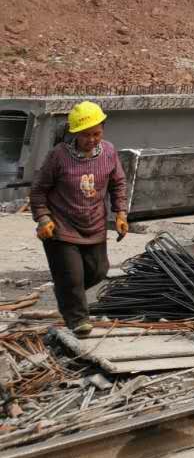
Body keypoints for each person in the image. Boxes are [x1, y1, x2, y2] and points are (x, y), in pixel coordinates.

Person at [30, 101, 128, 335]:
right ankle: (78, 321)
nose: (91, 139)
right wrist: (43, 218)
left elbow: (118, 183)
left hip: (94, 224)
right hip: (61, 226)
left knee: (98, 271)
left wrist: (121, 213)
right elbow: (38, 190)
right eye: (86, 135)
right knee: (72, 276)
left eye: (96, 134)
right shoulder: (59, 156)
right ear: (75, 133)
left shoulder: (109, 152)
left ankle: (66, 294)